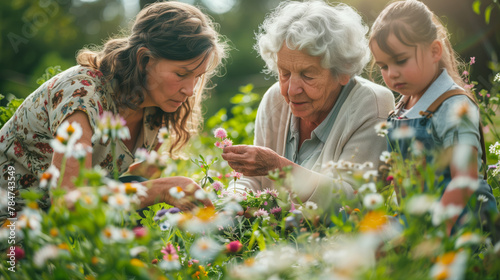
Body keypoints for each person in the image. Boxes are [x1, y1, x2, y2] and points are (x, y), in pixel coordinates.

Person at [0, 1, 229, 223]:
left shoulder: (157, 112)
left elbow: (132, 191)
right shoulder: (84, 93)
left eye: (197, 77)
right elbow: (66, 203)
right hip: (12, 221)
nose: (190, 90)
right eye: (181, 74)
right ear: (144, 59)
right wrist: (162, 189)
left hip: (59, 228)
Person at [221, 0, 394, 214]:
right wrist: (232, 201)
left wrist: (279, 168)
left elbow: (351, 203)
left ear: (343, 71)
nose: (291, 90)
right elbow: (254, 181)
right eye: (284, 73)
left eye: (307, 75)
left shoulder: (372, 105)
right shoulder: (276, 98)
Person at [369, 0, 497, 235]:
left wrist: (429, 234)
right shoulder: (402, 107)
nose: (391, 73)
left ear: (434, 51)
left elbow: (465, 181)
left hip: (461, 225)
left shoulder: (454, 106)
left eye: (400, 60)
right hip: (420, 221)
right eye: (383, 66)